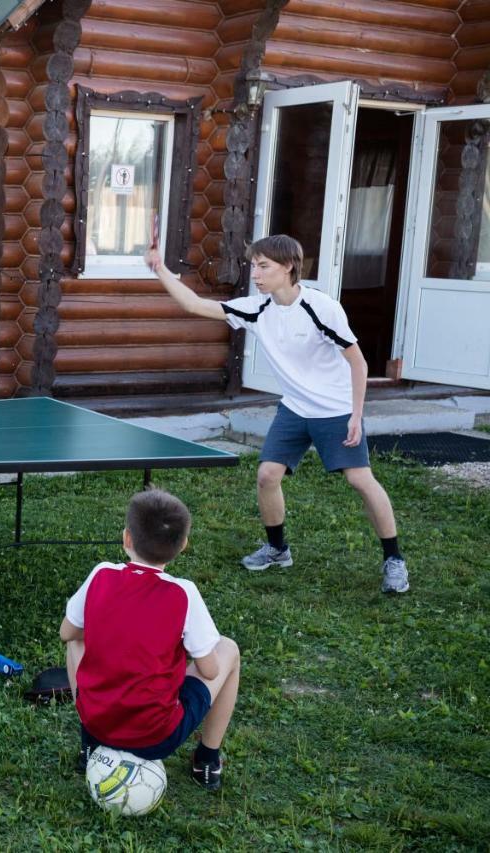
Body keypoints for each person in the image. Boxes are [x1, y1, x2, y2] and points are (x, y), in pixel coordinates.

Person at [145, 234, 409, 594]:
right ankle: (277, 549)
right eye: (253, 265)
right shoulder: (257, 308)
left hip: (335, 409)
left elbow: (358, 362)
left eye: (263, 266)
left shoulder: (322, 308)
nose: (255, 272)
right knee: (267, 475)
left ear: (288, 268)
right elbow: (195, 305)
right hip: (295, 408)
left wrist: (355, 414)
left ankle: (394, 559)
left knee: (360, 480)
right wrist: (160, 269)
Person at [59, 489, 240, 792]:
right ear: (183, 545)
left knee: (78, 641)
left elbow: (68, 633)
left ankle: (89, 745)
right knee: (229, 650)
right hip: (157, 738)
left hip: (98, 722)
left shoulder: (101, 574)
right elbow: (209, 670)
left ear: (126, 538)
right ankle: (207, 760)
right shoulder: (184, 593)